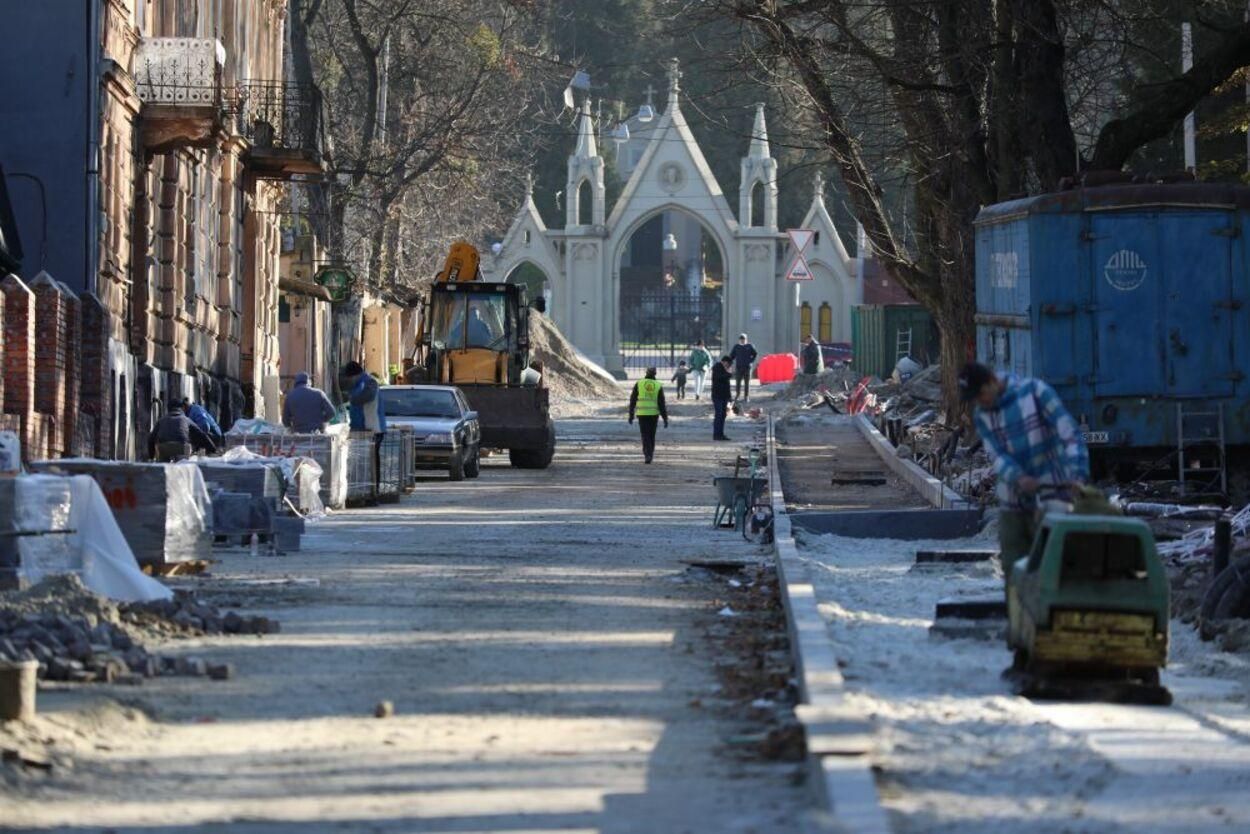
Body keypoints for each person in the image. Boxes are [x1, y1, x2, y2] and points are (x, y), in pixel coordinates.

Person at [960, 362, 1090, 574]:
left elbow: (1069, 433)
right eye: (974, 398)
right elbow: (998, 456)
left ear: (993, 381)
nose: (980, 401)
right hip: (1013, 502)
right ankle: (1016, 605)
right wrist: (1020, 478)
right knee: (1013, 567)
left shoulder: (1035, 393)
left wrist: (1079, 474)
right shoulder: (982, 416)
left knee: (1055, 564)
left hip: (1054, 492)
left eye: (981, 394)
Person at [149, 400, 216, 462]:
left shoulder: (161, 420)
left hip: (164, 447)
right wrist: (212, 449)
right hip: (181, 447)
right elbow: (201, 435)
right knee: (182, 464)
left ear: (168, 409)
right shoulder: (186, 419)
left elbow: (151, 438)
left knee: (163, 463)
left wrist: (151, 456)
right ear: (181, 409)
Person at [628, 367, 669, 464]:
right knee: (651, 435)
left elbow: (632, 400)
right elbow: (661, 403)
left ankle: (647, 454)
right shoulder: (658, 385)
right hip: (654, 415)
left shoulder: (639, 383)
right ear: (655, 374)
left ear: (646, 373)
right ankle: (650, 453)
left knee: (645, 434)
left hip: (642, 414)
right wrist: (665, 418)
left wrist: (631, 414)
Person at [342, 361, 387, 433]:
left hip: (373, 428)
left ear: (355, 375)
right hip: (360, 428)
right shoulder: (357, 385)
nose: (350, 380)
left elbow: (368, 396)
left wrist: (350, 398)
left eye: (350, 378)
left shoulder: (370, 382)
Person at [711, 355, 733, 441]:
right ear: (724, 362)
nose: (728, 366)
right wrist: (728, 373)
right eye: (728, 364)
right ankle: (716, 435)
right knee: (718, 415)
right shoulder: (717, 367)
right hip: (717, 395)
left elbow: (727, 384)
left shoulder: (725, 369)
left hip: (724, 395)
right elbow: (720, 378)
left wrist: (729, 397)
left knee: (723, 415)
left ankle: (721, 434)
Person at [730, 334, 758, 401]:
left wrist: (751, 361)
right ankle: (737, 395)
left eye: (744, 339)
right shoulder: (736, 347)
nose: (742, 340)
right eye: (741, 339)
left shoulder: (750, 346)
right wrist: (729, 362)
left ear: (746, 339)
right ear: (739, 340)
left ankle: (746, 396)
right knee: (738, 382)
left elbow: (755, 354)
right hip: (739, 367)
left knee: (747, 382)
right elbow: (732, 355)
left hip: (747, 367)